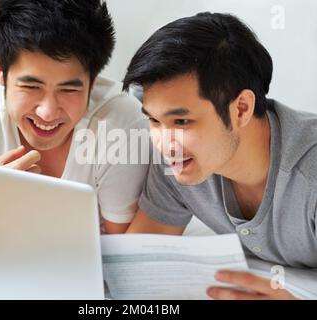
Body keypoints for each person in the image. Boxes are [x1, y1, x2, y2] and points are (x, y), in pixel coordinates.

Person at [123, 12, 317, 299]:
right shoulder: (177, 160)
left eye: (182, 122)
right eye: (154, 120)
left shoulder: (310, 176)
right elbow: (132, 268)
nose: (164, 143)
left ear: (241, 109)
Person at [0, 0, 148, 234]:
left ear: (93, 80)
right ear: (0, 71)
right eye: (31, 86)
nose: (47, 112)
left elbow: (123, 248)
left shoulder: (122, 121)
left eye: (69, 90)